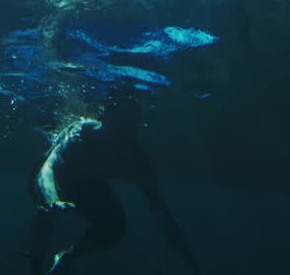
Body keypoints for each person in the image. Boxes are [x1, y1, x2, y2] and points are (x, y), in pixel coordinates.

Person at [26, 95, 201, 274]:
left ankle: (67, 258)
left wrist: (190, 261)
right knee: (45, 209)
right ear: (104, 120)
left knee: (116, 226)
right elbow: (46, 171)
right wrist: (52, 200)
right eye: (118, 126)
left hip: (86, 183)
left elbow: (161, 212)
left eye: (127, 128)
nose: (120, 136)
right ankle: (35, 267)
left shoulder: (136, 158)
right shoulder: (81, 134)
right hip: (49, 177)